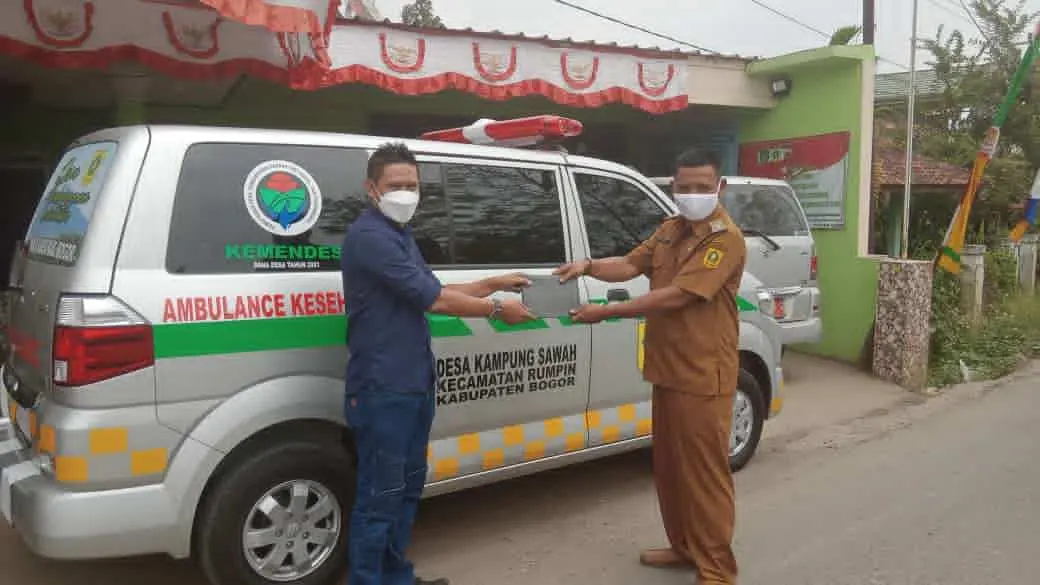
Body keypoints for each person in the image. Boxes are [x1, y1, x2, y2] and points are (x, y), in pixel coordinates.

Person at [341, 142, 536, 585]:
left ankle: (397, 577)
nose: (406, 193)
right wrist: (495, 308)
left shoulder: (398, 235)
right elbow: (435, 299)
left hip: (411, 382)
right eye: (396, 185)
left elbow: (432, 287)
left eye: (413, 185)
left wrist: (489, 282)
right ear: (372, 188)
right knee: (380, 495)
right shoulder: (370, 237)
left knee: (406, 490)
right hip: (383, 386)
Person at [555, 148, 746, 585]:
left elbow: (679, 295)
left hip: (703, 374)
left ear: (720, 187)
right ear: (673, 186)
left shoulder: (725, 238)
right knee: (671, 468)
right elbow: (628, 264)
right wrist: (588, 265)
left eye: (703, 187)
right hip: (667, 368)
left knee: (704, 475)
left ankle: (717, 569)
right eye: (684, 186)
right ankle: (684, 547)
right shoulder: (669, 230)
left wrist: (607, 313)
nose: (692, 194)